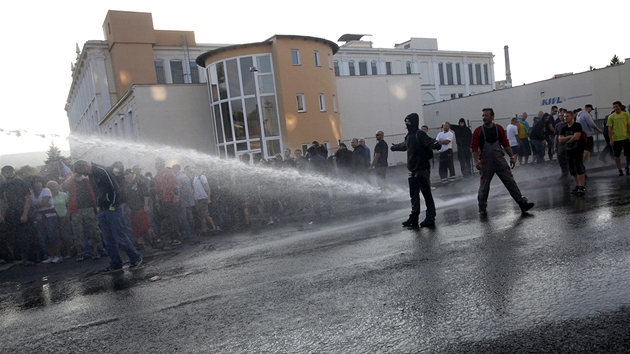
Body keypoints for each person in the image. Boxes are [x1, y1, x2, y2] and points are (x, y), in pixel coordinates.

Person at [73, 160, 142, 273]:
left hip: (112, 209)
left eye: (83, 171)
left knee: (119, 235)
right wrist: (99, 206)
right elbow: (97, 192)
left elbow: (114, 189)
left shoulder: (101, 171)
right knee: (108, 238)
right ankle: (115, 263)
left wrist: (113, 205)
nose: (84, 174)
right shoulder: (92, 175)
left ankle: (135, 257)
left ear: (86, 166)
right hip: (103, 209)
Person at [471, 108, 534, 215]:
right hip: (486, 162)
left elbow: (505, 144)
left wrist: (512, 157)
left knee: (510, 182)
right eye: (483, 116)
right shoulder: (478, 131)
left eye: (486, 115)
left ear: (492, 116)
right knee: (484, 186)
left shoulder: (499, 128)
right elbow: (474, 147)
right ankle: (482, 208)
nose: (484, 118)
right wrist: (477, 162)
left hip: (500, 160)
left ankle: (522, 203)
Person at [390, 113, 439, 228]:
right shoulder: (409, 136)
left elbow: (429, 141)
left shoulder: (419, 134)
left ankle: (430, 217)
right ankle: (414, 217)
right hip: (412, 171)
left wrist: (436, 145)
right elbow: (405, 145)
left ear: (414, 122)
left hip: (422, 169)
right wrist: (395, 147)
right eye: (406, 123)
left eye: (409, 123)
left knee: (427, 195)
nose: (407, 125)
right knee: (414, 195)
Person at [61, 170, 102, 261]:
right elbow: (63, 187)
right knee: (77, 232)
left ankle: (95, 251)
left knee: (94, 231)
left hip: (89, 208)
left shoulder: (87, 181)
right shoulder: (71, 182)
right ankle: (80, 253)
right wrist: (72, 176)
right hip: (76, 210)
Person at [0, 166, 36, 266]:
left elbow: (28, 199)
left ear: (14, 172)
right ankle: (22, 259)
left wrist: (24, 214)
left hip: (22, 211)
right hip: (11, 213)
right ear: (3, 173)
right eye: (6, 172)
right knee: (15, 237)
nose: (9, 174)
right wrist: (2, 215)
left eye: (10, 171)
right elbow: (2, 202)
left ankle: (31, 258)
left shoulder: (20, 182)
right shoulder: (3, 186)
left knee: (26, 236)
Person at [30, 176, 62, 263]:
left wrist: (38, 205)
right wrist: (41, 204)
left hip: (50, 215)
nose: (37, 184)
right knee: (44, 236)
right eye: (35, 182)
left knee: (52, 235)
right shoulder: (31, 193)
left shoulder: (46, 190)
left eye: (39, 182)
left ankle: (58, 255)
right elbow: (33, 204)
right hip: (40, 216)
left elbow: (43, 203)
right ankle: (51, 255)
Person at [154, 157, 182, 245]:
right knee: (167, 219)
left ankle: (177, 237)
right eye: (155, 163)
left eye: (157, 163)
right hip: (163, 201)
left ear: (162, 164)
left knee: (174, 219)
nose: (155, 165)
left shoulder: (169, 172)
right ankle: (171, 237)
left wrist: (176, 197)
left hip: (171, 200)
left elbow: (175, 185)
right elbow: (157, 191)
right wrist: (158, 202)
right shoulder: (156, 176)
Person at [122, 169, 152, 249]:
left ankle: (153, 239)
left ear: (132, 174)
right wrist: (122, 208)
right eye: (125, 175)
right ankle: (140, 242)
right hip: (132, 209)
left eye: (128, 174)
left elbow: (146, 194)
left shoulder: (140, 183)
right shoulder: (127, 185)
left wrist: (146, 205)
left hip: (140, 208)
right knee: (135, 226)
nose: (126, 176)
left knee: (146, 225)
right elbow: (125, 198)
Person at [558, 110, 586, 195]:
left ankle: (582, 186)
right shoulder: (564, 128)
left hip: (577, 149)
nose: (565, 118)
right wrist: (570, 137)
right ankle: (577, 185)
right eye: (564, 116)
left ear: (572, 117)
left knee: (579, 168)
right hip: (568, 150)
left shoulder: (577, 126)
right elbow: (560, 139)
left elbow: (576, 137)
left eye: (567, 116)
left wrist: (566, 140)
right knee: (572, 169)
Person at [47, 181, 72, 259]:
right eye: (51, 186)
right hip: (52, 218)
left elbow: (69, 205)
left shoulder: (63, 195)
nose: (53, 188)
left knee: (66, 235)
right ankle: (60, 253)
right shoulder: (48, 197)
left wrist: (68, 214)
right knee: (56, 236)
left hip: (63, 216)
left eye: (55, 186)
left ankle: (69, 252)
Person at [191, 166, 219, 234]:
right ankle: (204, 229)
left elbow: (208, 188)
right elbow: (194, 189)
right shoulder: (195, 178)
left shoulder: (202, 177)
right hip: (198, 199)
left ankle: (214, 227)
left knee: (205, 214)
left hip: (203, 198)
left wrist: (208, 198)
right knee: (201, 215)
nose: (195, 169)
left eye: (196, 168)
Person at [606, 101, 630, 176]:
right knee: (617, 155)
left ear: (620, 107)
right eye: (614, 107)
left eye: (617, 106)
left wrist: (629, 135)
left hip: (625, 137)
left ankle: (627, 166)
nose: (615, 108)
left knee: (628, 154)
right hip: (616, 139)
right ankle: (619, 169)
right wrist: (611, 139)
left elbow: (628, 125)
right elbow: (609, 129)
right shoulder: (611, 117)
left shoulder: (626, 114)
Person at [173, 164, 195, 241]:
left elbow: (178, 189)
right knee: (190, 217)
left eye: (174, 169)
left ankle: (188, 233)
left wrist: (176, 198)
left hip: (182, 200)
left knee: (183, 217)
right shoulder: (185, 176)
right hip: (189, 200)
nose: (173, 171)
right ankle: (192, 232)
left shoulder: (178, 178)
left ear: (177, 169)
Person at [554, 111, 569, 178]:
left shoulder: (569, 124)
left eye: (562, 115)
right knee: (561, 159)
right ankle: (564, 173)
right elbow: (556, 136)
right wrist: (555, 146)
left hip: (568, 144)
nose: (561, 117)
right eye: (560, 116)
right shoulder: (557, 125)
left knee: (570, 159)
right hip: (561, 145)